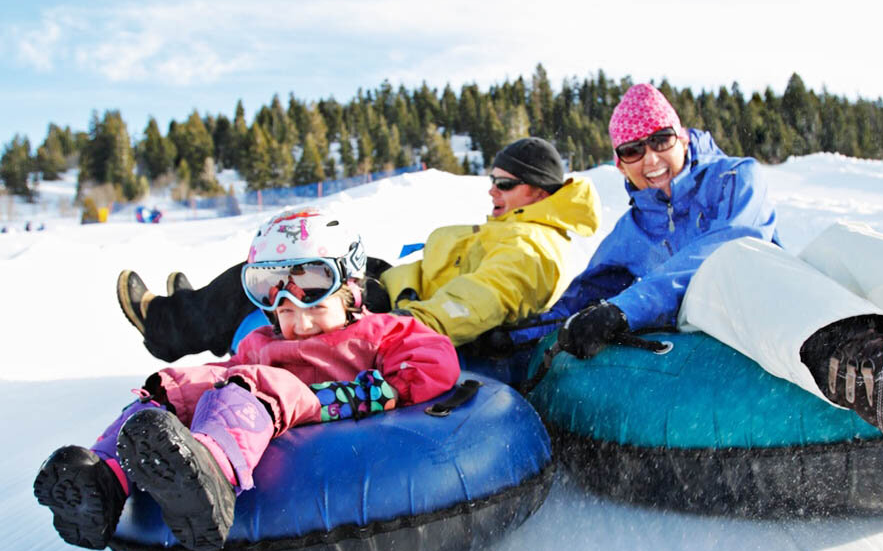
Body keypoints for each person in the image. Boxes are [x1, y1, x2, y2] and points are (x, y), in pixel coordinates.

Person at [491, 83, 883, 467]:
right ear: (619, 162)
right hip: (718, 306)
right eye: (632, 150)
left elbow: (732, 239)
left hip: (764, 283)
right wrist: (516, 340)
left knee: (841, 243)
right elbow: (577, 305)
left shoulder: (738, 178)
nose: (651, 159)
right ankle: (880, 381)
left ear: (683, 137)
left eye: (661, 140)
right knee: (730, 265)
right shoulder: (628, 235)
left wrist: (631, 304)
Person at [35, 207, 460, 551]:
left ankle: (209, 475)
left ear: (351, 290)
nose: (298, 317)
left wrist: (360, 395)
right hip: (254, 392)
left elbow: (433, 362)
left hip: (307, 401)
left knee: (248, 386)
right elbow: (229, 371)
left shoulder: (380, 330)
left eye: (313, 294)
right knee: (179, 385)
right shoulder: (262, 340)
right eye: (282, 306)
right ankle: (105, 478)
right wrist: (179, 389)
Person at [116, 137, 600, 361]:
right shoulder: (519, 224)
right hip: (398, 281)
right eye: (492, 180)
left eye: (505, 183)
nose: (492, 191)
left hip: (404, 307)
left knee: (291, 269)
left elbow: (483, 298)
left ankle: (167, 324)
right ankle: (203, 308)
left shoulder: (533, 246)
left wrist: (413, 326)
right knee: (299, 253)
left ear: (538, 190)